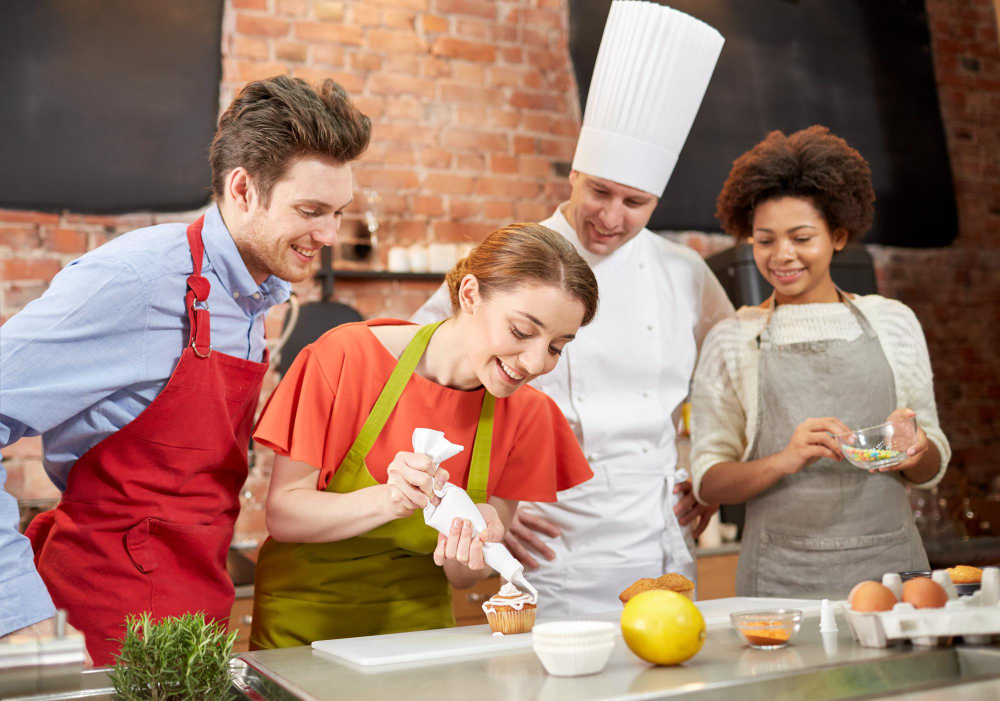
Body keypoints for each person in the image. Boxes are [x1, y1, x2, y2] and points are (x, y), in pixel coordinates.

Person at [0, 76, 370, 664]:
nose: (328, 234)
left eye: (338, 213)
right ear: (244, 189)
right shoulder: (139, 280)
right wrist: (14, 613)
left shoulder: (256, 295)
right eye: (310, 211)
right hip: (103, 626)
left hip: (195, 617)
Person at [411, 1, 733, 616]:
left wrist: (714, 472)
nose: (611, 217)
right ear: (575, 175)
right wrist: (480, 500)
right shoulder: (511, 263)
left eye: (635, 202)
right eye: (600, 192)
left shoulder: (683, 273)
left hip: (661, 532)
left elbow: (727, 378)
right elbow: (423, 375)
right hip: (554, 538)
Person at [249, 223, 598, 648]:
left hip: (418, 636)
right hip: (302, 630)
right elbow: (283, 515)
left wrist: (477, 543)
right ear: (469, 294)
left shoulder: (529, 415)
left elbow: (462, 576)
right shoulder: (345, 357)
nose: (535, 362)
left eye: (557, 347)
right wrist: (388, 500)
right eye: (522, 332)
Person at [690, 125, 950, 598]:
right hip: (778, 579)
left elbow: (930, 470)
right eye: (765, 240)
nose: (782, 255)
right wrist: (783, 461)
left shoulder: (893, 323)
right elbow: (709, 482)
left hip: (891, 571)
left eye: (801, 237)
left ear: (839, 235)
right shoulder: (733, 338)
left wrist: (914, 446)